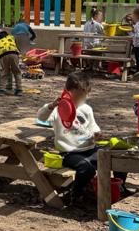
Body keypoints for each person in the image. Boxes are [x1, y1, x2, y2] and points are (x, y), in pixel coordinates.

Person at [37, 72, 110, 203]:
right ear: (68, 92)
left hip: (89, 148)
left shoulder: (86, 109)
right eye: (76, 97)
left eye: (83, 97)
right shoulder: (58, 109)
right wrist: (51, 106)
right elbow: (41, 117)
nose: (79, 100)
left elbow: (93, 126)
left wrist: (97, 133)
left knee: (113, 157)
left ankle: (117, 187)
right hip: (69, 153)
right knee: (86, 168)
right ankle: (76, 194)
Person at [0, 25, 23, 96]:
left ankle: (2, 90)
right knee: (17, 72)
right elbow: (17, 47)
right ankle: (19, 90)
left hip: (3, 55)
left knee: (5, 72)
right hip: (14, 54)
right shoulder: (11, 37)